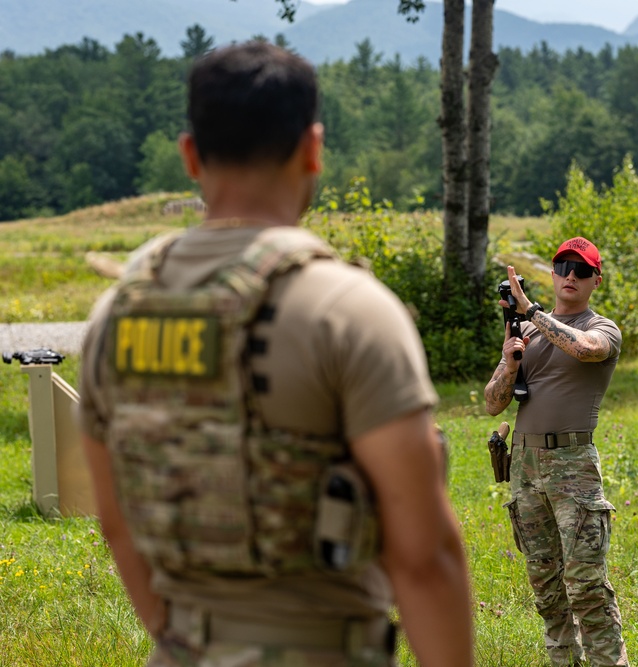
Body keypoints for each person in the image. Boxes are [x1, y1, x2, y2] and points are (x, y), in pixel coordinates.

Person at [77, 41, 473, 667]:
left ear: (189, 155)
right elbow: (424, 558)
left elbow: (118, 525)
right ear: (313, 147)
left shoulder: (116, 314)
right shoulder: (348, 311)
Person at [484, 237, 629, 667]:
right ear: (552, 273)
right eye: (563, 266)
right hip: (525, 469)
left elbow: (586, 350)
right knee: (546, 588)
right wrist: (511, 363)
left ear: (594, 281)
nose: (570, 276)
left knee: (586, 587)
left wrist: (531, 310)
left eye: (581, 270)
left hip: (574, 468)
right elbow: (493, 401)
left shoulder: (602, 327)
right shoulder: (525, 333)